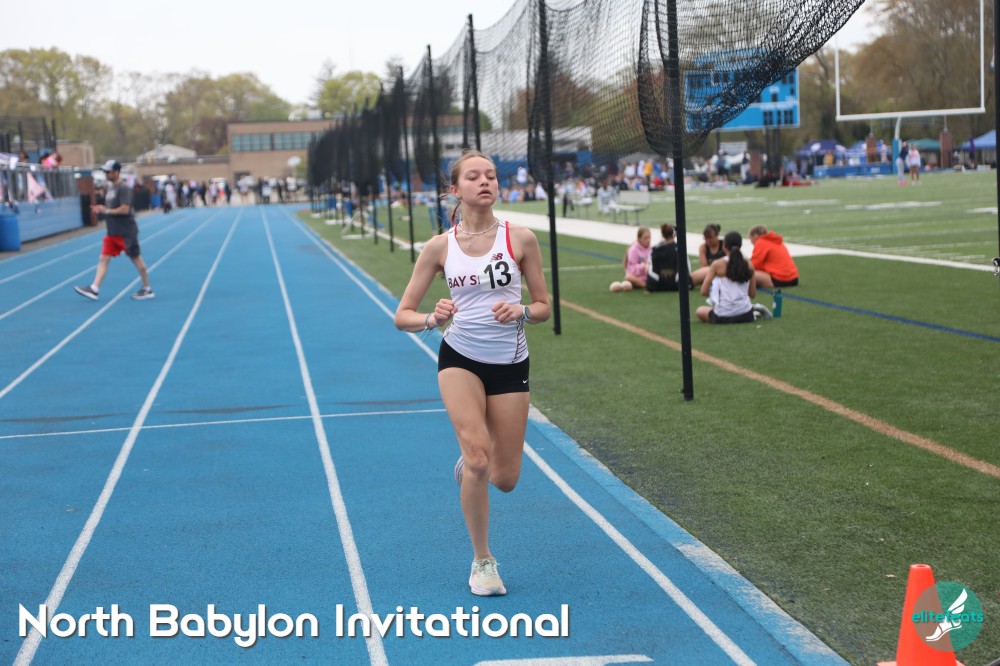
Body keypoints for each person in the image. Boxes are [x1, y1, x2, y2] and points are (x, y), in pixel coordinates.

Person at [393, 150, 551, 597]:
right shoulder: (439, 247)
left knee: (505, 478)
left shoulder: (521, 239)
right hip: (459, 357)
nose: (485, 182)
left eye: (491, 176)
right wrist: (432, 317)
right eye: (474, 176)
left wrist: (522, 310)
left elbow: (543, 306)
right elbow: (402, 315)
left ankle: (470, 464)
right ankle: (483, 561)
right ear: (455, 189)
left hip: (510, 363)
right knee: (481, 458)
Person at [74, 161, 154, 301]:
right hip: (112, 232)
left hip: (126, 232)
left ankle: (147, 288)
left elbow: (125, 209)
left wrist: (106, 210)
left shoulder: (124, 188)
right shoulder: (110, 188)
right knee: (103, 259)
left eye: (108, 172)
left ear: (116, 172)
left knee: (137, 260)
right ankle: (94, 289)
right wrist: (100, 209)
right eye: (105, 172)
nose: (106, 174)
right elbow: (111, 208)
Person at [696, 231, 759, 324]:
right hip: (746, 315)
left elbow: (703, 292)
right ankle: (755, 308)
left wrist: (716, 294)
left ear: (724, 246)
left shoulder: (717, 264)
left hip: (722, 316)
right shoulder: (749, 264)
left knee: (700, 310)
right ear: (740, 246)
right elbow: (752, 294)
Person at [748, 224, 799, 289]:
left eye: (751, 239)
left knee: (747, 274)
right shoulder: (777, 241)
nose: (751, 242)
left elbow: (754, 265)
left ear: (754, 236)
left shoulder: (761, 242)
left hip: (781, 279)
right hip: (794, 279)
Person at [645, 223, 691, 292]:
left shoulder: (655, 250)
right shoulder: (680, 249)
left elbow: (650, 269)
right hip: (677, 285)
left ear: (662, 235)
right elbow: (688, 269)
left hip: (658, 285)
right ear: (674, 235)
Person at [610, 226, 652, 292]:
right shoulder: (633, 250)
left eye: (649, 237)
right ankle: (646, 285)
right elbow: (633, 269)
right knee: (628, 278)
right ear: (639, 238)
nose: (648, 240)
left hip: (648, 276)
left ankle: (646, 284)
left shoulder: (652, 249)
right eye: (645, 238)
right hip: (637, 277)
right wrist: (645, 265)